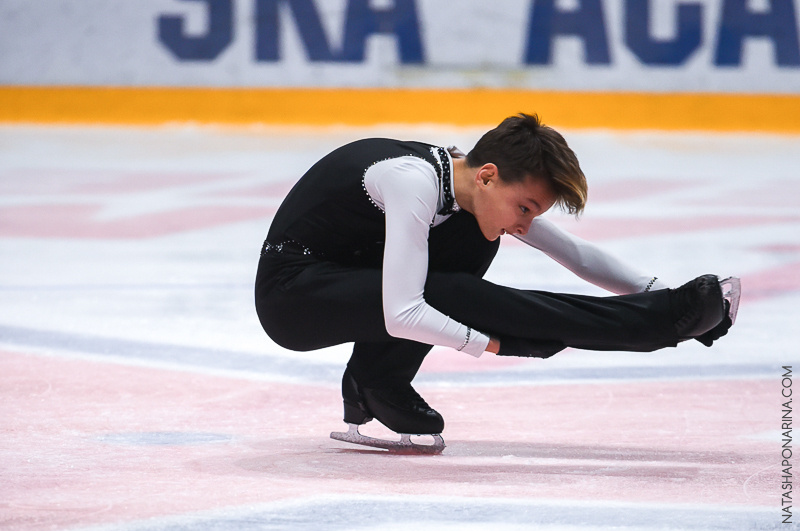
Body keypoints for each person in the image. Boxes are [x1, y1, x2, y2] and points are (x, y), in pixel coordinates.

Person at [255, 114, 736, 450]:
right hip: (293, 297)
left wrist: (662, 293)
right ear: (487, 175)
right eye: (524, 207)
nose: (526, 223)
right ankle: (658, 325)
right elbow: (403, 311)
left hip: (349, 273)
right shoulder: (413, 183)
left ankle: (376, 382)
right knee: (450, 287)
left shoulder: (468, 185)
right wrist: (496, 345)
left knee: (478, 239)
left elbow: (573, 253)